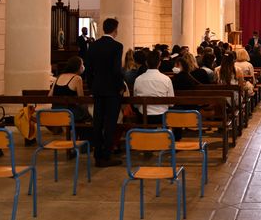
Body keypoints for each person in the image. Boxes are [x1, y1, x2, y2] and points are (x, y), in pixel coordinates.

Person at [86, 18, 125, 167]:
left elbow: (88, 70)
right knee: (110, 123)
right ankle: (106, 156)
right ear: (115, 30)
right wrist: (120, 86)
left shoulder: (93, 46)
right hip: (112, 91)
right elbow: (116, 70)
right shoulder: (117, 46)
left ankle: (97, 155)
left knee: (98, 122)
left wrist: (91, 86)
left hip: (97, 89)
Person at [134, 50, 174, 124]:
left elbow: (136, 104)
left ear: (146, 63)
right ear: (159, 63)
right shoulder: (166, 79)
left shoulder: (138, 79)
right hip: (161, 116)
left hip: (143, 116)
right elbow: (171, 103)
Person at [49, 56, 91, 123]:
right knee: (87, 111)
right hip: (69, 112)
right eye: (82, 64)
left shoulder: (59, 76)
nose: (83, 66)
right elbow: (81, 99)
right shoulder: (77, 78)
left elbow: (50, 95)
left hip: (55, 111)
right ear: (78, 66)